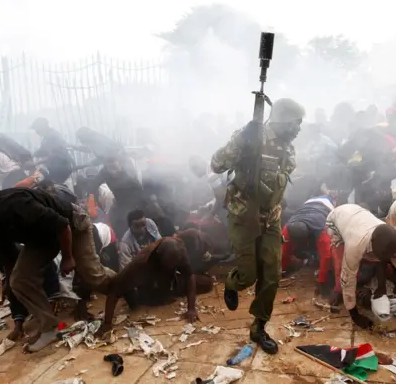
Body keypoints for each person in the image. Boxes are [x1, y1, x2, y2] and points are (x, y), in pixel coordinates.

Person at [0, 188, 115, 352]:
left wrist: (67, 257)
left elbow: (62, 226)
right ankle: (49, 327)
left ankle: (121, 284)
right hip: (40, 237)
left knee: (91, 274)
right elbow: (6, 254)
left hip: (71, 224)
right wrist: (8, 283)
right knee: (19, 280)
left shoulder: (14, 204)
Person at [210, 97, 305, 355]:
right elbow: (216, 164)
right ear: (283, 120)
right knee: (248, 275)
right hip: (244, 215)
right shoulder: (251, 137)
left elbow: (281, 176)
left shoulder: (288, 147)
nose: (299, 129)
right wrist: (242, 140)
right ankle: (232, 283)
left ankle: (259, 327)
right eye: (296, 123)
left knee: (272, 275)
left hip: (271, 217)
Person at [325, 204, 396, 329]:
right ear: (372, 243)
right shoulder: (355, 245)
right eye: (380, 255)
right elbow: (347, 278)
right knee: (342, 263)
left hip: (359, 216)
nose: (384, 259)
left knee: (371, 268)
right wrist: (355, 315)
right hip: (336, 219)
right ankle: (337, 289)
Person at [98, 232, 214, 335]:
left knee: (207, 283)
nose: (171, 265)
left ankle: (166, 291)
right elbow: (113, 291)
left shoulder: (179, 250)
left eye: (174, 263)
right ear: (159, 255)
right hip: (149, 285)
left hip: (169, 282)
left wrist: (191, 308)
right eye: (168, 263)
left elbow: (189, 276)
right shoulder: (141, 263)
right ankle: (142, 294)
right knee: (136, 301)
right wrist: (107, 323)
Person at [281, 195, 335, 290]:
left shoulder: (321, 231)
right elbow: (283, 251)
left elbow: (326, 256)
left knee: (326, 251)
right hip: (307, 203)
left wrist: (321, 280)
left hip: (326, 205)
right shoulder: (287, 229)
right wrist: (282, 270)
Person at [31, 118, 74, 184]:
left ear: (43, 126)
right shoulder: (48, 136)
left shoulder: (52, 136)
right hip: (56, 167)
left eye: (37, 128)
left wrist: (36, 163)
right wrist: (31, 155)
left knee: (51, 186)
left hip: (60, 168)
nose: (36, 131)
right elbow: (42, 150)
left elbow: (54, 155)